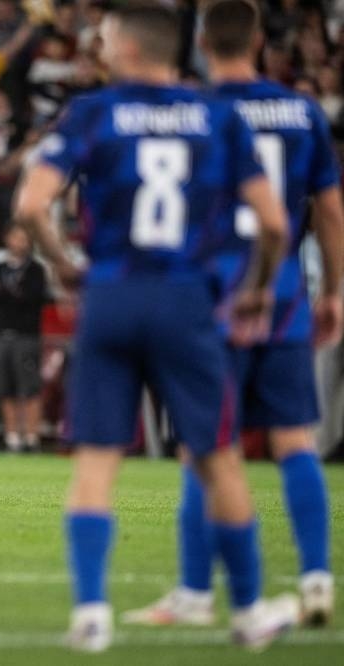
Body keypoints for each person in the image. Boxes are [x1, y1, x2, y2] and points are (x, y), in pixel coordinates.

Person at [15, 2, 298, 652]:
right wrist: (255, 289)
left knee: (95, 460)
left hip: (111, 296)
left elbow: (31, 204)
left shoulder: (94, 112)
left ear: (134, 49)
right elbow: (277, 224)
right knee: (218, 458)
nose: (100, 44)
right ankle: (250, 612)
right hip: (186, 301)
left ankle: (90, 614)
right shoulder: (218, 117)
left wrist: (65, 265)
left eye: (108, 36)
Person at [125, 0, 343, 629]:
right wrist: (333, 291)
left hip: (212, 299)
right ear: (259, 43)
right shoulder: (304, 112)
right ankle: (317, 577)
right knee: (295, 438)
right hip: (283, 294)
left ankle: (194, 593)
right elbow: (329, 212)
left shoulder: (193, 112)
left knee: (204, 448)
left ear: (201, 46)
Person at [0, 224, 48, 452]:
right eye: (15, 237)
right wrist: (10, 294)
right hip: (1, 333)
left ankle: (32, 437)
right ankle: (12, 436)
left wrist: (6, 293)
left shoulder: (35, 270)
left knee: (29, 387)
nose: (18, 242)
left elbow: (34, 297)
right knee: (3, 386)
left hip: (26, 334)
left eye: (23, 238)